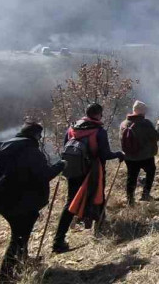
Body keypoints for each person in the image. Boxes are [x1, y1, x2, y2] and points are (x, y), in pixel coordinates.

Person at [0, 122, 64, 283]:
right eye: (39, 135)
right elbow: (44, 175)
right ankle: (5, 276)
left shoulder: (5, 146)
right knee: (19, 237)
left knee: (20, 234)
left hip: (1, 198)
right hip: (21, 202)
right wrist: (61, 165)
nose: (40, 138)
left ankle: (23, 262)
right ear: (35, 135)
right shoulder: (30, 151)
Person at [53, 103, 125, 254]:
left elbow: (66, 147)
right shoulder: (99, 131)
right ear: (98, 114)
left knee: (70, 203)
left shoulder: (72, 129)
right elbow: (105, 155)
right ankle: (99, 229)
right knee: (98, 197)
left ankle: (58, 241)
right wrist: (119, 154)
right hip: (93, 171)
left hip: (73, 170)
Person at [120, 101, 159, 205]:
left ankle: (130, 200)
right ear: (143, 112)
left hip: (129, 157)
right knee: (151, 171)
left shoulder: (123, 124)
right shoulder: (145, 123)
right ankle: (145, 194)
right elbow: (155, 137)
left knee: (131, 177)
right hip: (145, 156)